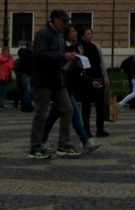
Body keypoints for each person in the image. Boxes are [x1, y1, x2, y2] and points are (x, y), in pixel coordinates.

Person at [41, 24, 99, 155]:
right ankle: (85, 141)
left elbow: (80, 69)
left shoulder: (75, 46)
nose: (75, 33)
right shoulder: (64, 47)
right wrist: (72, 61)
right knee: (74, 112)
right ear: (67, 33)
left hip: (69, 86)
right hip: (62, 85)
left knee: (53, 115)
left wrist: (90, 81)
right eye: (72, 31)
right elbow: (62, 66)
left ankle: (41, 140)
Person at [28, 8, 77, 160]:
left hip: (58, 80)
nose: (65, 24)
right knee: (41, 115)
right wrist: (63, 55)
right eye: (64, 21)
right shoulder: (43, 34)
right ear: (54, 19)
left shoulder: (60, 35)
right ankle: (35, 147)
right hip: (44, 81)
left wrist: (70, 57)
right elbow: (41, 54)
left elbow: (60, 55)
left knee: (68, 109)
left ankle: (63, 144)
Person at [79, 28, 109, 137]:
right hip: (87, 80)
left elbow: (101, 63)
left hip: (98, 77)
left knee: (100, 106)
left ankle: (100, 129)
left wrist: (105, 77)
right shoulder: (80, 48)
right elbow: (81, 65)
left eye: (91, 34)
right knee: (86, 107)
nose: (90, 36)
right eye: (88, 34)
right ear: (82, 36)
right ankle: (86, 130)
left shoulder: (96, 47)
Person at [16, 40, 36, 112]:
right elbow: (20, 53)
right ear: (28, 46)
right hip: (26, 74)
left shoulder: (34, 53)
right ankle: (27, 105)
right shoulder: (24, 52)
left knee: (32, 91)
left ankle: (30, 104)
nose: (33, 46)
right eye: (32, 45)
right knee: (27, 90)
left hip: (33, 75)